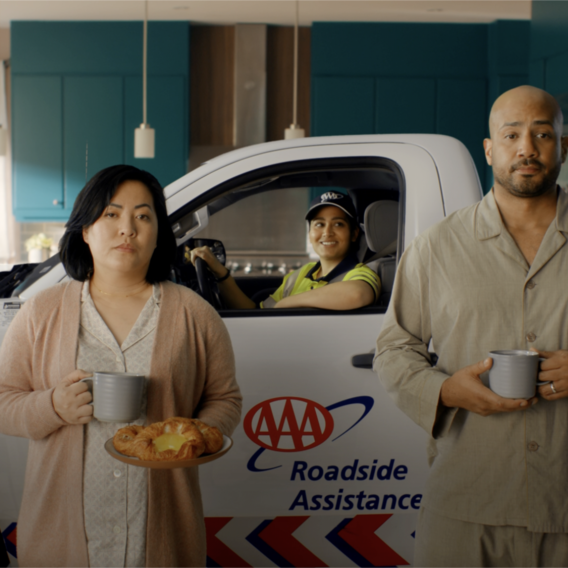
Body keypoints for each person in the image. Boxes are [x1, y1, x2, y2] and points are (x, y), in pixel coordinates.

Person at [0, 165, 242, 567]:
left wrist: (195, 436)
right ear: (85, 230)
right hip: (62, 539)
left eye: (143, 216)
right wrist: (53, 407)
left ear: (158, 234)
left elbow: (225, 399)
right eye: (111, 214)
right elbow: (3, 401)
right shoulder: (40, 312)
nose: (127, 228)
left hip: (161, 537)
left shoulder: (196, 315)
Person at [374, 85, 568, 567]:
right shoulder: (436, 247)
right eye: (511, 135)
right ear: (489, 149)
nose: (526, 147)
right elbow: (395, 348)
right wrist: (445, 392)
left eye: (543, 133)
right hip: (467, 505)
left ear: (564, 145)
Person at [190, 192, 380, 310]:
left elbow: (358, 294)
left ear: (354, 233)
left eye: (338, 224)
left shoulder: (361, 272)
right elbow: (257, 312)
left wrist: (286, 303)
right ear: (310, 232)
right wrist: (220, 272)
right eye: (319, 224)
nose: (327, 233)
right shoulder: (301, 274)